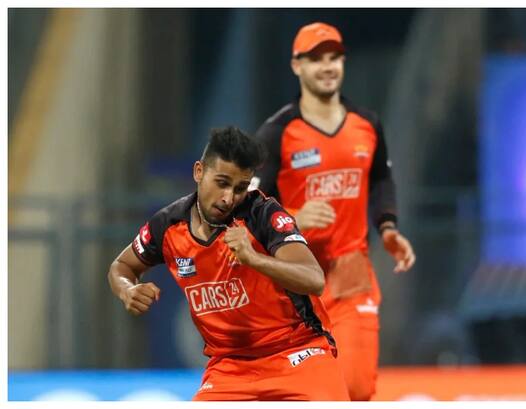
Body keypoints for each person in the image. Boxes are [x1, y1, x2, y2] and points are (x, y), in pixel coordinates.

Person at [107, 126, 350, 401]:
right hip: (229, 368)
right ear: (199, 171)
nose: (228, 198)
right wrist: (127, 289)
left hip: (297, 354)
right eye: (222, 183)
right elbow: (121, 267)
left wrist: (254, 259)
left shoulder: (262, 214)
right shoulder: (167, 225)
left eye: (240, 188)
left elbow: (314, 279)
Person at [253, 22, 416, 401]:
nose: (327, 67)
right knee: (309, 392)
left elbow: (380, 179)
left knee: (355, 387)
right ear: (297, 66)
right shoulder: (277, 133)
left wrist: (388, 227)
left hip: (350, 276)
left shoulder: (367, 125)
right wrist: (293, 217)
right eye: (316, 59)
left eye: (334, 58)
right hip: (294, 283)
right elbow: (245, 207)